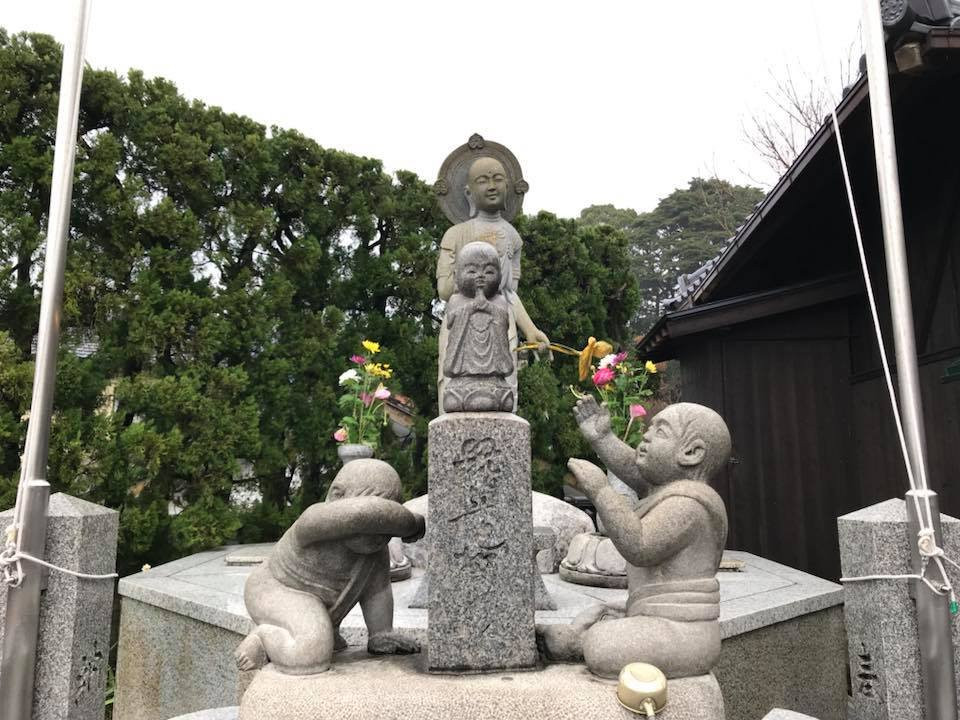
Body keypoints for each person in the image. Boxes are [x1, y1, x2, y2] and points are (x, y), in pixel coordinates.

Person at [537, 398, 731, 679]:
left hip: (685, 631)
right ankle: (577, 639)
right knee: (599, 615)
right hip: (655, 616)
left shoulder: (689, 505)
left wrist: (600, 490)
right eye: (649, 428)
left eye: (660, 432)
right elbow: (634, 468)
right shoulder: (667, 487)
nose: (646, 435)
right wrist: (603, 438)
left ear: (692, 452)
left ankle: (581, 642)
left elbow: (639, 545)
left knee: (602, 645)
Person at [235, 459, 425, 675]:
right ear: (337, 496)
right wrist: (412, 522)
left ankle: (322, 630)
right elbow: (363, 513)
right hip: (276, 590)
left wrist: (380, 634)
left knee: (320, 638)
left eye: (386, 529)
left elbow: (378, 590)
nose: (381, 533)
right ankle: (263, 637)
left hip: (319, 607)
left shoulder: (375, 550)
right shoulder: (313, 520)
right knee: (310, 655)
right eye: (382, 519)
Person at [436, 156, 549, 405]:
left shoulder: (513, 237)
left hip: (500, 321)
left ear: (508, 188)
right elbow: (444, 289)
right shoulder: (455, 234)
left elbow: (509, 293)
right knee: (454, 395)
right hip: (459, 323)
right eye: (482, 180)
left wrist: (530, 330)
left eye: (498, 179)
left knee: (503, 392)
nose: (491, 186)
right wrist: (475, 275)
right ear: (468, 192)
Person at [442, 241, 514, 412]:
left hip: (495, 383)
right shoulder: (456, 300)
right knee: (452, 400)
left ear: (500, 276)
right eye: (472, 271)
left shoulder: (500, 301)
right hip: (462, 383)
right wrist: (473, 306)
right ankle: (468, 389)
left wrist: (488, 307)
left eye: (489, 271)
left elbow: (503, 322)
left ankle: (493, 388)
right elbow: (452, 321)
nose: (480, 276)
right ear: (457, 274)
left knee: (505, 399)